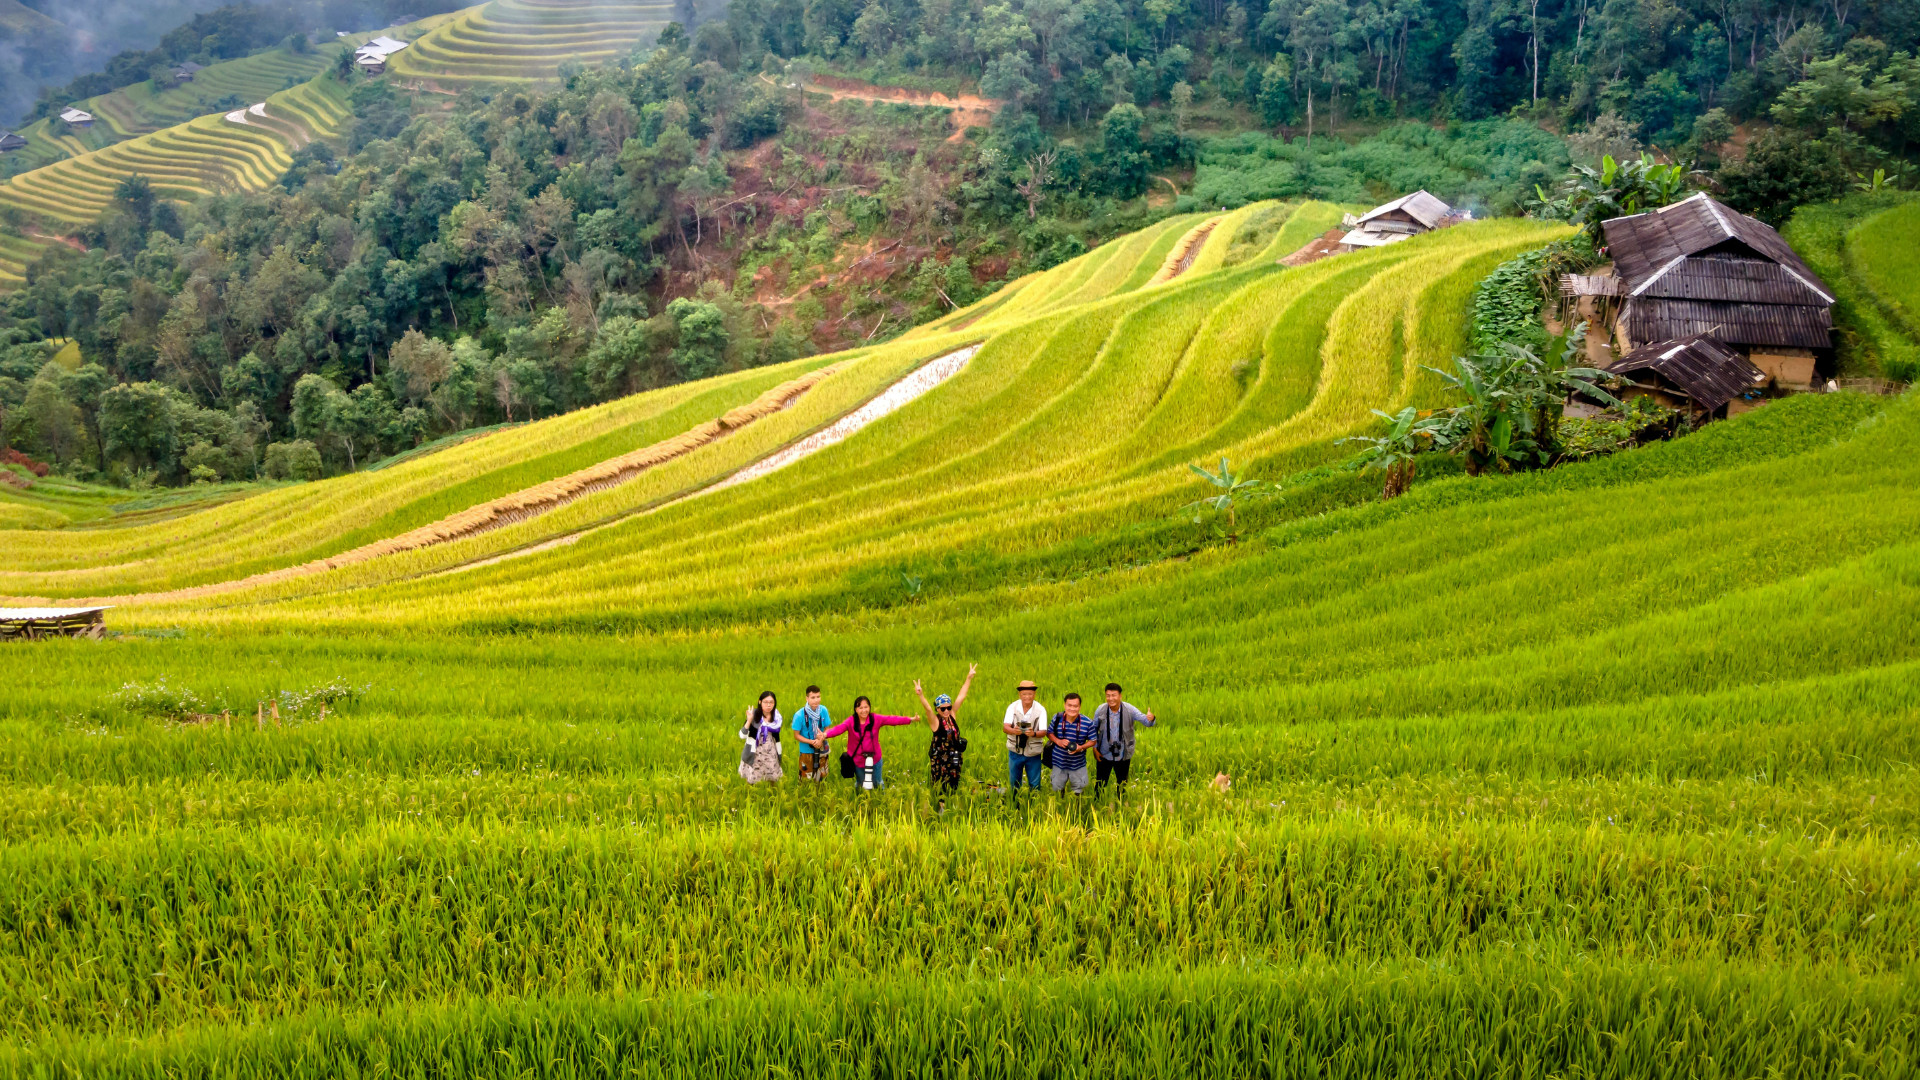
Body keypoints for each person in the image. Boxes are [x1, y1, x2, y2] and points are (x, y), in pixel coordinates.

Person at [820, 695, 914, 789]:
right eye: (860, 708)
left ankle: (880, 797)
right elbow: (839, 728)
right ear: (856, 709)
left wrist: (910, 720)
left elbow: (892, 719)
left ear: (869, 707)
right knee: (861, 784)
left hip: (875, 759)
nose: (864, 710)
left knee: (877, 783)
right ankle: (859, 796)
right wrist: (825, 734)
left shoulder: (875, 719)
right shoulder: (851, 721)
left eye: (866, 707)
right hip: (858, 760)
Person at [914, 663, 977, 793]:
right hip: (940, 762)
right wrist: (921, 695)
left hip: (954, 760)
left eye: (949, 707)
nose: (947, 711)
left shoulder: (952, 716)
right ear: (938, 709)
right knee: (940, 789)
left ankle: (951, 801)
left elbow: (961, 696)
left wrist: (968, 678)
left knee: (953, 787)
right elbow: (928, 709)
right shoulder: (935, 721)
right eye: (943, 709)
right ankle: (940, 803)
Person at [1091, 682, 1156, 794]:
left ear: (1120, 696)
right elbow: (1093, 729)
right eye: (1108, 695)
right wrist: (1095, 748)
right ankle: (1098, 802)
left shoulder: (1129, 709)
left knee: (1122, 785)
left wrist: (1151, 718)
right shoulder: (1101, 709)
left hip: (1123, 754)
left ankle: (1121, 803)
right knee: (1100, 784)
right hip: (1104, 753)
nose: (1111, 698)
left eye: (1114, 695)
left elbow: (1146, 722)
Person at [1002, 679, 1048, 793]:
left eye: (1030, 694)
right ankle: (1015, 801)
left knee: (1035, 784)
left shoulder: (1040, 710)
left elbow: (1043, 731)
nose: (1027, 697)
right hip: (1015, 751)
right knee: (1014, 783)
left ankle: (1033, 802)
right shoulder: (1012, 707)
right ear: (1019, 694)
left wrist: (1033, 734)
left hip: (1033, 752)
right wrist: (1014, 731)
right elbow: (1005, 727)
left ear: (1034, 694)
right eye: (1024, 694)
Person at [1047, 692, 1097, 794]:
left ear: (1080, 707)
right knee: (1057, 790)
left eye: (1075, 706)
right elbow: (1049, 733)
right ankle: (1061, 804)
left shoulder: (1087, 722)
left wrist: (1081, 747)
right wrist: (1058, 741)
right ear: (1064, 705)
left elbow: (1093, 740)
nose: (1072, 709)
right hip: (1058, 762)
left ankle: (1076, 804)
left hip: (1078, 764)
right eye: (1069, 705)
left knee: (1078, 791)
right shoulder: (1057, 718)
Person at [738, 691, 784, 784]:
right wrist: (749, 721)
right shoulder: (754, 715)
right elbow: (742, 735)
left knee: (772, 779)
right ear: (760, 702)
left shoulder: (777, 718)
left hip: (770, 752)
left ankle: (772, 793)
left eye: (771, 702)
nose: (768, 705)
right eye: (765, 702)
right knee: (753, 780)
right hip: (755, 752)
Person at [791, 685, 832, 781]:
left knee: (822, 777)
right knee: (806, 779)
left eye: (818, 697)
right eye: (813, 697)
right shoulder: (799, 715)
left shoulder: (823, 710)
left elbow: (827, 728)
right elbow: (796, 735)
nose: (816, 700)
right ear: (807, 698)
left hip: (822, 747)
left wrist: (821, 739)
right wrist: (811, 742)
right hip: (806, 751)